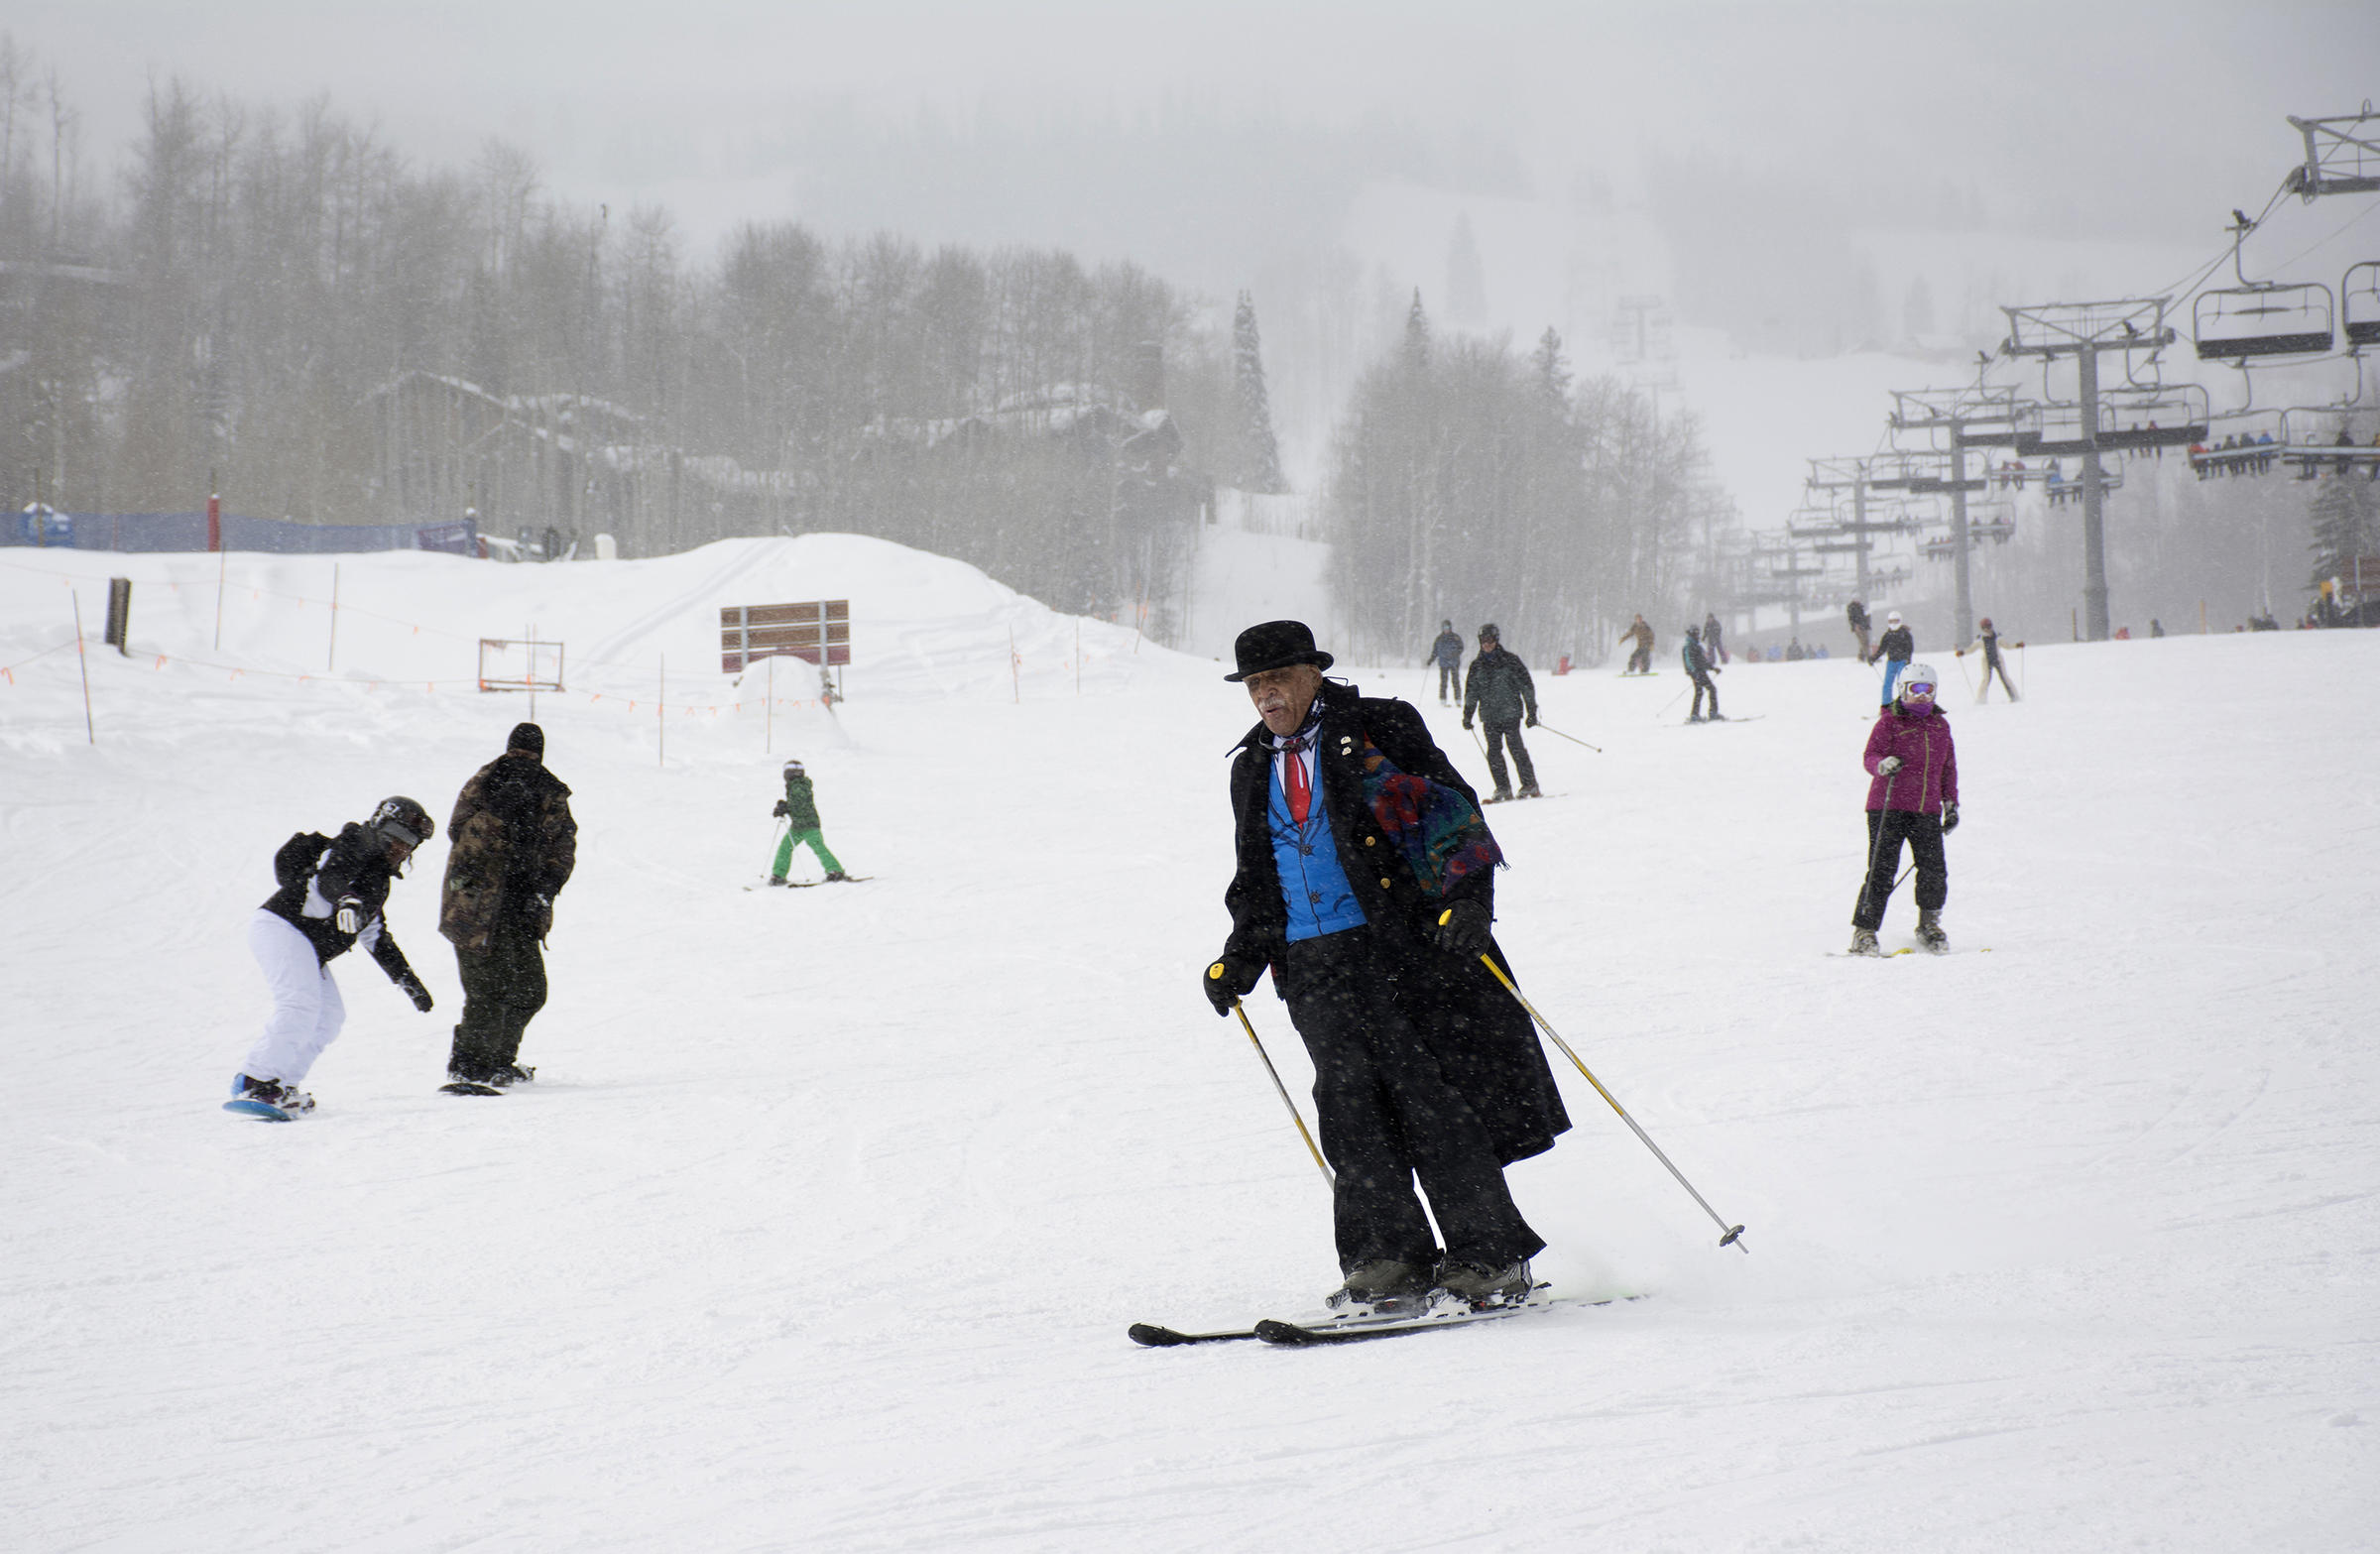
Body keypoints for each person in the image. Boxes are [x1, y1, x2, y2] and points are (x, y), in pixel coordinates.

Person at [1205, 621, 1570, 1311]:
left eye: (1279, 677)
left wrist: (1467, 901)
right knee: (1349, 1112)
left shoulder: (1378, 728)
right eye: (1255, 683)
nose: (1267, 693)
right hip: (1310, 965)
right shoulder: (1251, 766)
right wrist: (1239, 957)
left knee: (1431, 1099)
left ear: (1314, 672)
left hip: (1395, 952)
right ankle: (1387, 1258)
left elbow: (1449, 816)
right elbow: (1257, 873)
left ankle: (1488, 1256)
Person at [231, 797, 438, 1114]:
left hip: (305, 945)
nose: (402, 847)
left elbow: (375, 934)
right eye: (398, 836)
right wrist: (347, 899)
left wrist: (406, 979)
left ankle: (282, 1085)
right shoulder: (353, 842)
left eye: (410, 842)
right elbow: (331, 878)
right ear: (381, 826)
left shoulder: (378, 880)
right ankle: (253, 1082)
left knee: (329, 1018)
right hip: (281, 926)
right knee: (299, 1004)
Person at [438, 722, 577, 1087]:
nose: (523, 762)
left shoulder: (550, 791)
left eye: (530, 756)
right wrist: (497, 812)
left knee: (530, 989)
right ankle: (469, 1065)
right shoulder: (484, 783)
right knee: (488, 990)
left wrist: (546, 888)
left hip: (521, 908)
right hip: (474, 906)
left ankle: (499, 1060)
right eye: (517, 753)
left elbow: (562, 847)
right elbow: (462, 840)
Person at [1849, 664, 1958, 955]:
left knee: (1934, 869)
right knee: (1882, 870)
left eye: (1928, 690)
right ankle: (1865, 931)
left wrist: (1950, 802)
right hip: (1889, 806)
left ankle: (1929, 924)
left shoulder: (1940, 725)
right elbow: (1870, 755)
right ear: (1903, 690)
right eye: (1916, 690)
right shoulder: (1889, 723)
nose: (1922, 697)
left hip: (1926, 807)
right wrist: (1882, 765)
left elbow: (1948, 767)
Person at [1462, 624, 1540, 800]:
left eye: (1489, 640)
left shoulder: (1510, 661)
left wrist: (1532, 711)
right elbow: (1471, 692)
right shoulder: (1477, 666)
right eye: (1483, 641)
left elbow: (1526, 686)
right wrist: (1468, 714)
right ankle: (1503, 788)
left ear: (1496, 640)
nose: (1486, 644)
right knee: (1493, 752)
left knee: (1516, 748)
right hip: (1489, 716)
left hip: (1510, 713)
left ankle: (1529, 784)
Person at [770, 759, 849, 884]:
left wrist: (786, 807)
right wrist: (784, 807)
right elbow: (797, 804)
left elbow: (800, 804)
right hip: (798, 826)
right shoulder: (796, 786)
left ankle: (835, 871)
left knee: (817, 846)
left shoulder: (799, 786)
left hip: (809, 825)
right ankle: (778, 875)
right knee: (786, 847)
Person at [1958, 617, 2019, 702]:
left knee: (2005, 678)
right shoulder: (1980, 638)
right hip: (1986, 662)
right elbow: (1972, 649)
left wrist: (2017, 645)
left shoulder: (1998, 636)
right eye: (1985, 627)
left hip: (1998, 660)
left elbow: (2007, 646)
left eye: (1989, 626)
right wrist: (1962, 652)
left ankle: (2015, 697)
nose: (1987, 629)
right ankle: (1981, 700)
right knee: (1986, 680)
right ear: (1982, 628)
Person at [1868, 610, 1914, 705]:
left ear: (1900, 621)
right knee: (1887, 684)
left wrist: (1908, 659)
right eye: (1891, 621)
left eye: (1896, 621)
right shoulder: (1887, 635)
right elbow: (1882, 649)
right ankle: (1886, 704)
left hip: (1902, 661)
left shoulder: (1905, 634)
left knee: (1902, 683)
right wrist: (1874, 658)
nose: (1893, 623)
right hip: (1891, 662)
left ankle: (1904, 704)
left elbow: (1910, 648)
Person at [1682, 623, 1723, 722]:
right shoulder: (1690, 646)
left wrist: (1712, 668)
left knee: (1704, 691)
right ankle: (1703, 714)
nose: (1698, 635)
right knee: (1706, 690)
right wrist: (1695, 673)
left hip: (1699, 672)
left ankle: (1700, 714)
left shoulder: (1694, 645)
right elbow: (1693, 661)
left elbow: (1701, 661)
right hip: (1697, 673)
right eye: (1696, 633)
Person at [1424, 620, 1465, 705]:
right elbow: (1435, 651)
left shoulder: (1455, 637)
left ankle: (1458, 699)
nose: (1446, 629)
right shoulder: (1439, 638)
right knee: (1443, 682)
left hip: (1454, 663)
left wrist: (1455, 654)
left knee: (1455, 682)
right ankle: (1443, 699)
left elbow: (1461, 648)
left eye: (1448, 627)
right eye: (1444, 627)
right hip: (1443, 664)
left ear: (1450, 628)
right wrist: (1431, 659)